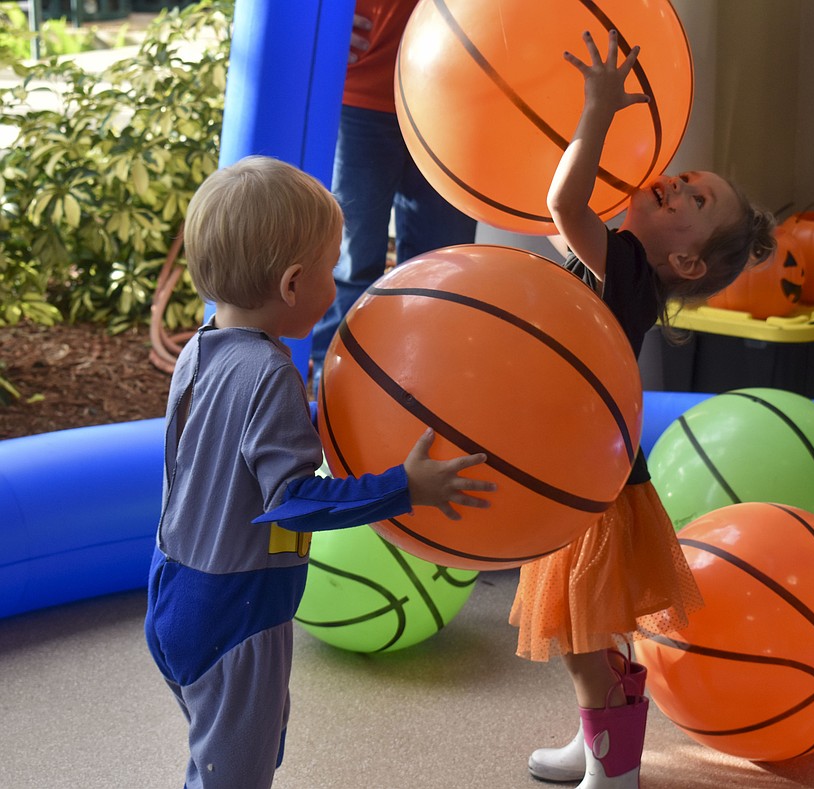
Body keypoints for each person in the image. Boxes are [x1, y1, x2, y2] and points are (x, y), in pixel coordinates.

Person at [144, 155, 496, 789]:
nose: (338, 286)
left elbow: (231, 445)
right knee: (237, 773)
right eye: (332, 271)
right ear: (292, 284)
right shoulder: (272, 372)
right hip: (238, 611)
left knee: (218, 754)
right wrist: (404, 488)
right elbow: (295, 503)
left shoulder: (199, 349)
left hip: (173, 592)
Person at [509, 31, 776, 788]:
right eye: (689, 177)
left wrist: (595, 113)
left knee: (577, 633)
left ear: (684, 262)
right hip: (584, 471)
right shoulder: (620, 259)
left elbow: (563, 200)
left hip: (593, 485)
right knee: (585, 632)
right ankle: (598, 741)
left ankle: (613, 763)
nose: (679, 185)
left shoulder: (626, 269)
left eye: (697, 201)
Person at [309, 0, 478, 392]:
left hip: (453, 94)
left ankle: (428, 392)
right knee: (348, 263)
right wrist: (322, 18)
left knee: (443, 270)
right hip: (362, 95)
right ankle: (331, 395)